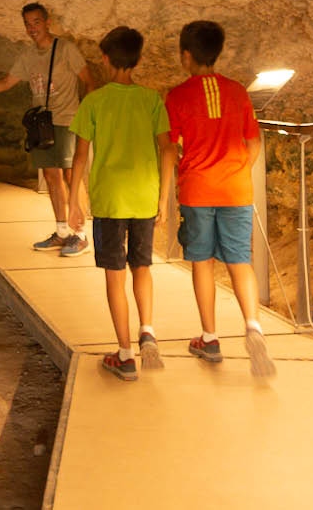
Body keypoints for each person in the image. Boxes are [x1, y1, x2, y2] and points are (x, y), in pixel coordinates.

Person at [164, 20, 275, 378]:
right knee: (240, 260)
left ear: (186, 55)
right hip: (236, 189)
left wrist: (166, 190)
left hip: (197, 189)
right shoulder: (238, 92)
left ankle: (209, 339)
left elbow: (170, 145)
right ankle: (253, 327)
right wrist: (240, 170)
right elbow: (254, 142)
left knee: (202, 262)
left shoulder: (178, 96)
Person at [67, 26, 174, 381]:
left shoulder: (94, 101)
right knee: (141, 267)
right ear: (138, 60)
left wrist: (73, 200)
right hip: (144, 197)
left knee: (115, 277)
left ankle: (125, 355)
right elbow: (167, 148)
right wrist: (163, 197)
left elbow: (80, 156)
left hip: (110, 200)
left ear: (105, 59)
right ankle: (148, 330)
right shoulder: (151, 99)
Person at [0, 2, 97, 256]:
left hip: (67, 119)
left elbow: (89, 81)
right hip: (41, 123)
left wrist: (86, 116)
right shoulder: (27, 55)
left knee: (70, 176)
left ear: (47, 23)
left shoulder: (65, 48)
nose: (31, 28)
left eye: (36, 22)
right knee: (52, 177)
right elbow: (6, 82)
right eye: (27, 23)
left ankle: (81, 234)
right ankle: (62, 231)